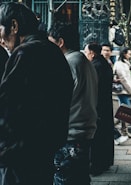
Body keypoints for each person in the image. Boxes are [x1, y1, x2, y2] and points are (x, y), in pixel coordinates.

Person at [0, 2, 73, 185]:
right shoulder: (53, 51)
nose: (0, 39)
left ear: (14, 26)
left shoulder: (24, 53)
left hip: (19, 156)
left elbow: (6, 107)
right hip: (45, 151)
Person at [48, 22, 98, 184]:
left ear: (60, 42)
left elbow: (57, 100)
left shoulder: (67, 63)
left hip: (70, 135)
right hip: (84, 133)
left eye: (51, 42)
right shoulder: (84, 61)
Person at [83, 42, 119, 175]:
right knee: (104, 134)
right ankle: (104, 162)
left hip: (97, 106)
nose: (86, 55)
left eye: (86, 52)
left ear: (92, 53)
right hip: (105, 104)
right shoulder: (104, 63)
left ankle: (96, 165)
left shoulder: (95, 66)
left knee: (97, 137)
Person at [113, 47, 131, 138]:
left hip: (125, 90)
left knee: (125, 111)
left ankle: (124, 131)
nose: (130, 56)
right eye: (129, 54)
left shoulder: (125, 63)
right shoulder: (119, 64)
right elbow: (123, 79)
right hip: (122, 90)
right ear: (124, 54)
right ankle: (113, 125)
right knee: (127, 111)